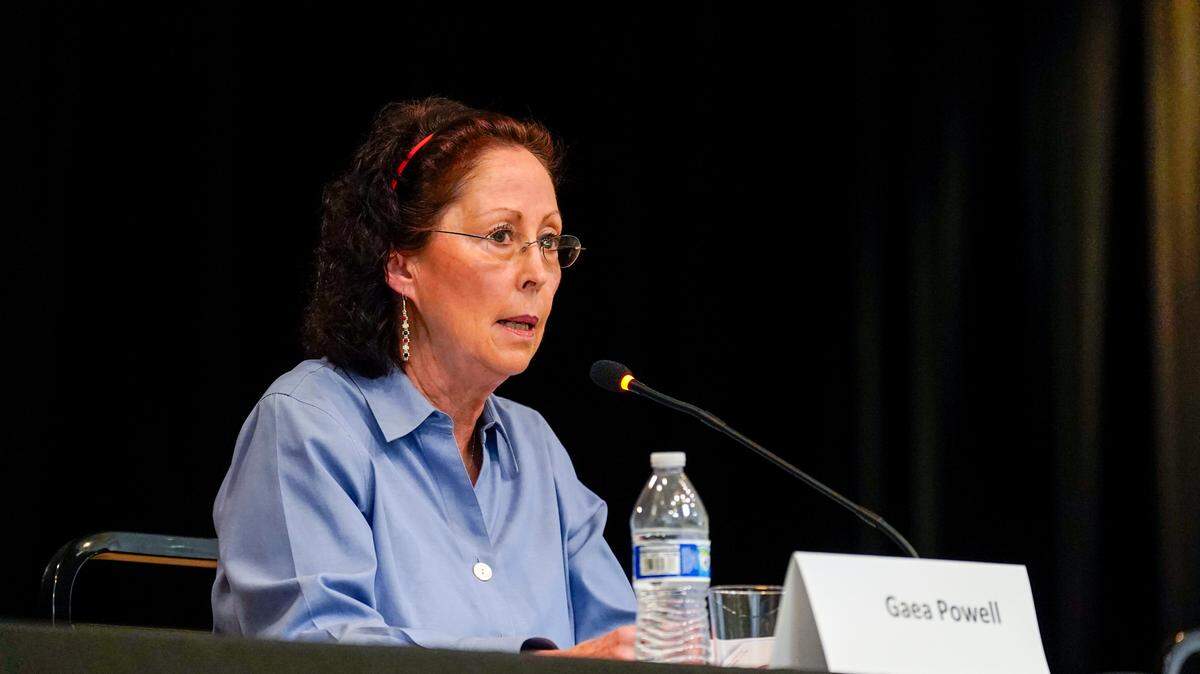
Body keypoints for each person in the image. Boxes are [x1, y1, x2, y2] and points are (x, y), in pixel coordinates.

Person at [210, 96, 636, 659]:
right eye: (501, 236)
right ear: (401, 263)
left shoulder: (537, 450)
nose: (537, 272)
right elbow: (316, 652)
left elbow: (630, 645)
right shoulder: (308, 425)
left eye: (550, 241)